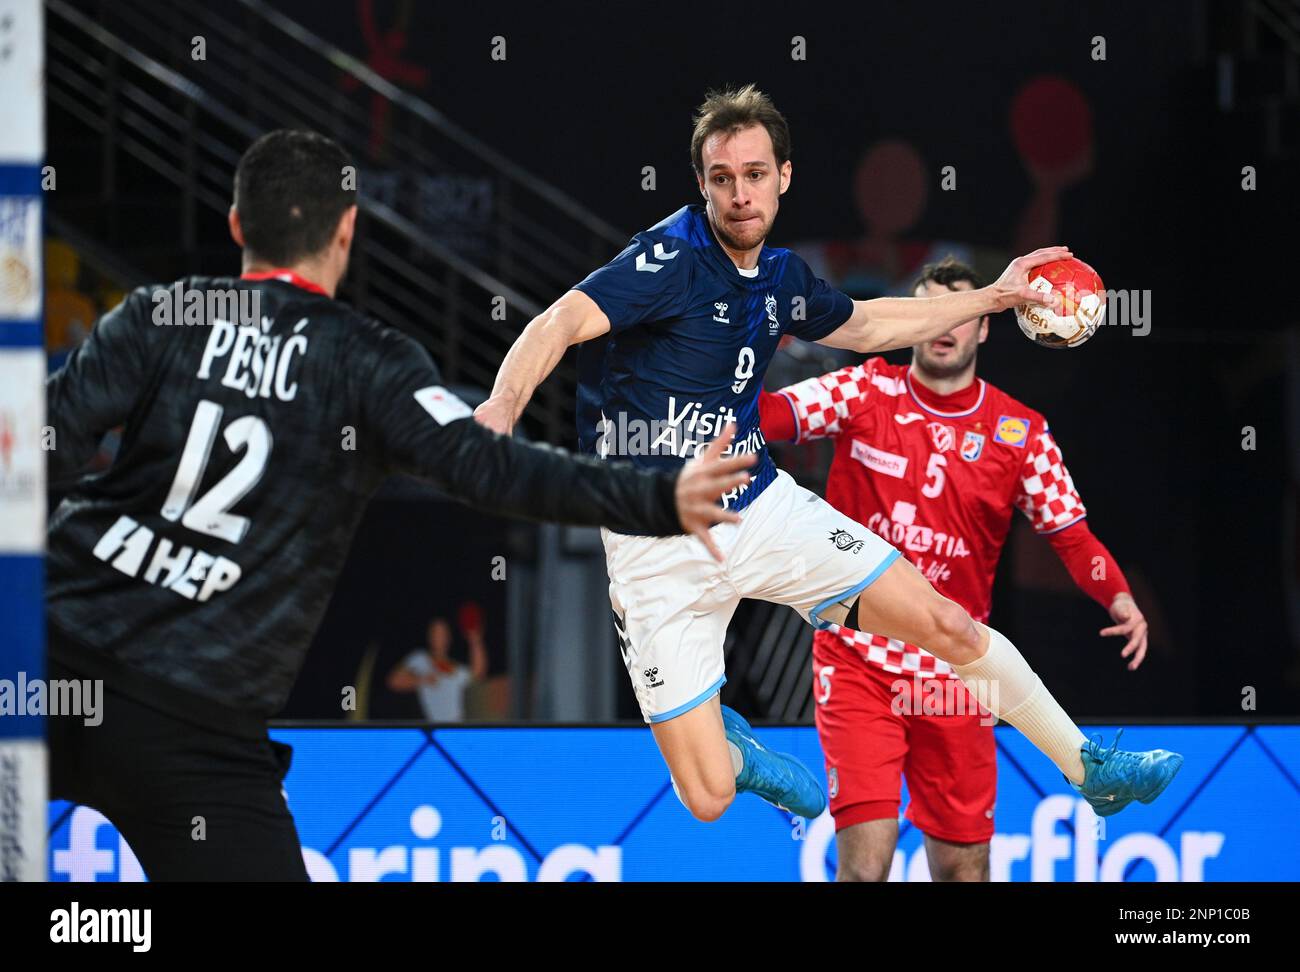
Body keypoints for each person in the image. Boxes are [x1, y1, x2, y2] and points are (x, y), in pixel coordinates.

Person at [44, 129, 753, 881]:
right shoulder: (363, 361)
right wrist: (656, 495)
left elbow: (32, 453)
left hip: (50, 660)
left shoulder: (162, 313)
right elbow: (493, 469)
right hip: (199, 727)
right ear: (346, 230)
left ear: (236, 225)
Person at [474, 85, 1181, 825]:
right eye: (721, 178)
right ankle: (742, 756)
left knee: (950, 626)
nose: (739, 194)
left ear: (784, 175)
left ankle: (1087, 766)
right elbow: (557, 322)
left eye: (754, 174)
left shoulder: (781, 279)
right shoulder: (667, 259)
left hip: (762, 508)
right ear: (703, 185)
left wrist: (997, 296)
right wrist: (501, 405)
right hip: (656, 543)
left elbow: (873, 324)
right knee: (708, 797)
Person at [760, 256, 1151, 880]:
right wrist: (710, 376)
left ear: (985, 326)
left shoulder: (1021, 431)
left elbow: (1073, 539)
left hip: (959, 672)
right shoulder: (864, 389)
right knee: (865, 867)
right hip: (859, 664)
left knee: (964, 869)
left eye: (961, 312)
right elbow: (768, 419)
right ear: (912, 320)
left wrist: (1120, 598)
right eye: (929, 308)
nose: (944, 327)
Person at [388, 617, 485, 721]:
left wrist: (475, 642)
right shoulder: (419, 658)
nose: (439, 637)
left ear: (448, 638)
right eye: (436, 632)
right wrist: (422, 680)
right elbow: (393, 681)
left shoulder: (454, 668)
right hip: (434, 726)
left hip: (457, 726)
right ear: (429, 637)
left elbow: (477, 674)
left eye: (443, 633)